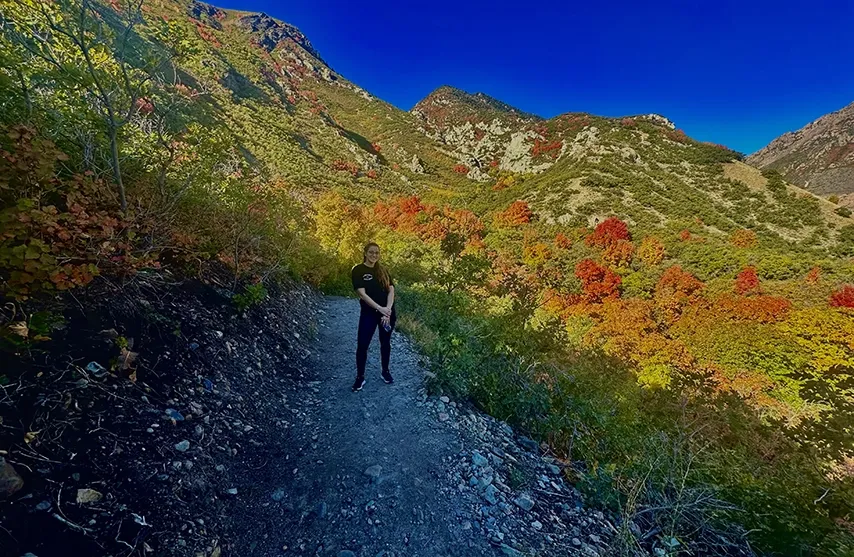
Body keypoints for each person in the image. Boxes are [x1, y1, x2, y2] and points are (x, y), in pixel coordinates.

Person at [351, 242, 396, 392]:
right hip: (369, 313)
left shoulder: (383, 270)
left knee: (385, 343)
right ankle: (360, 377)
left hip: (387, 314)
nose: (374, 255)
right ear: (365, 253)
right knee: (363, 344)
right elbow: (362, 294)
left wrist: (388, 310)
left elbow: (391, 290)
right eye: (371, 252)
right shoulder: (358, 270)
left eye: (377, 252)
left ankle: (385, 371)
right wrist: (380, 309)